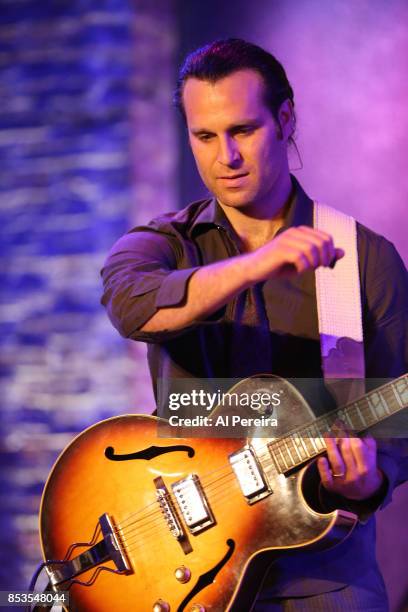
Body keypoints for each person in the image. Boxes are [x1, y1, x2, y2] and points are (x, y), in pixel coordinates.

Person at [101, 39, 408, 611]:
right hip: (182, 574)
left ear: (284, 118)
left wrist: (370, 480)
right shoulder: (162, 244)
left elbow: (399, 420)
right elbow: (131, 306)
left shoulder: (365, 259)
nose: (226, 158)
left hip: (323, 579)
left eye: (242, 130)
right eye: (205, 136)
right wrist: (255, 263)